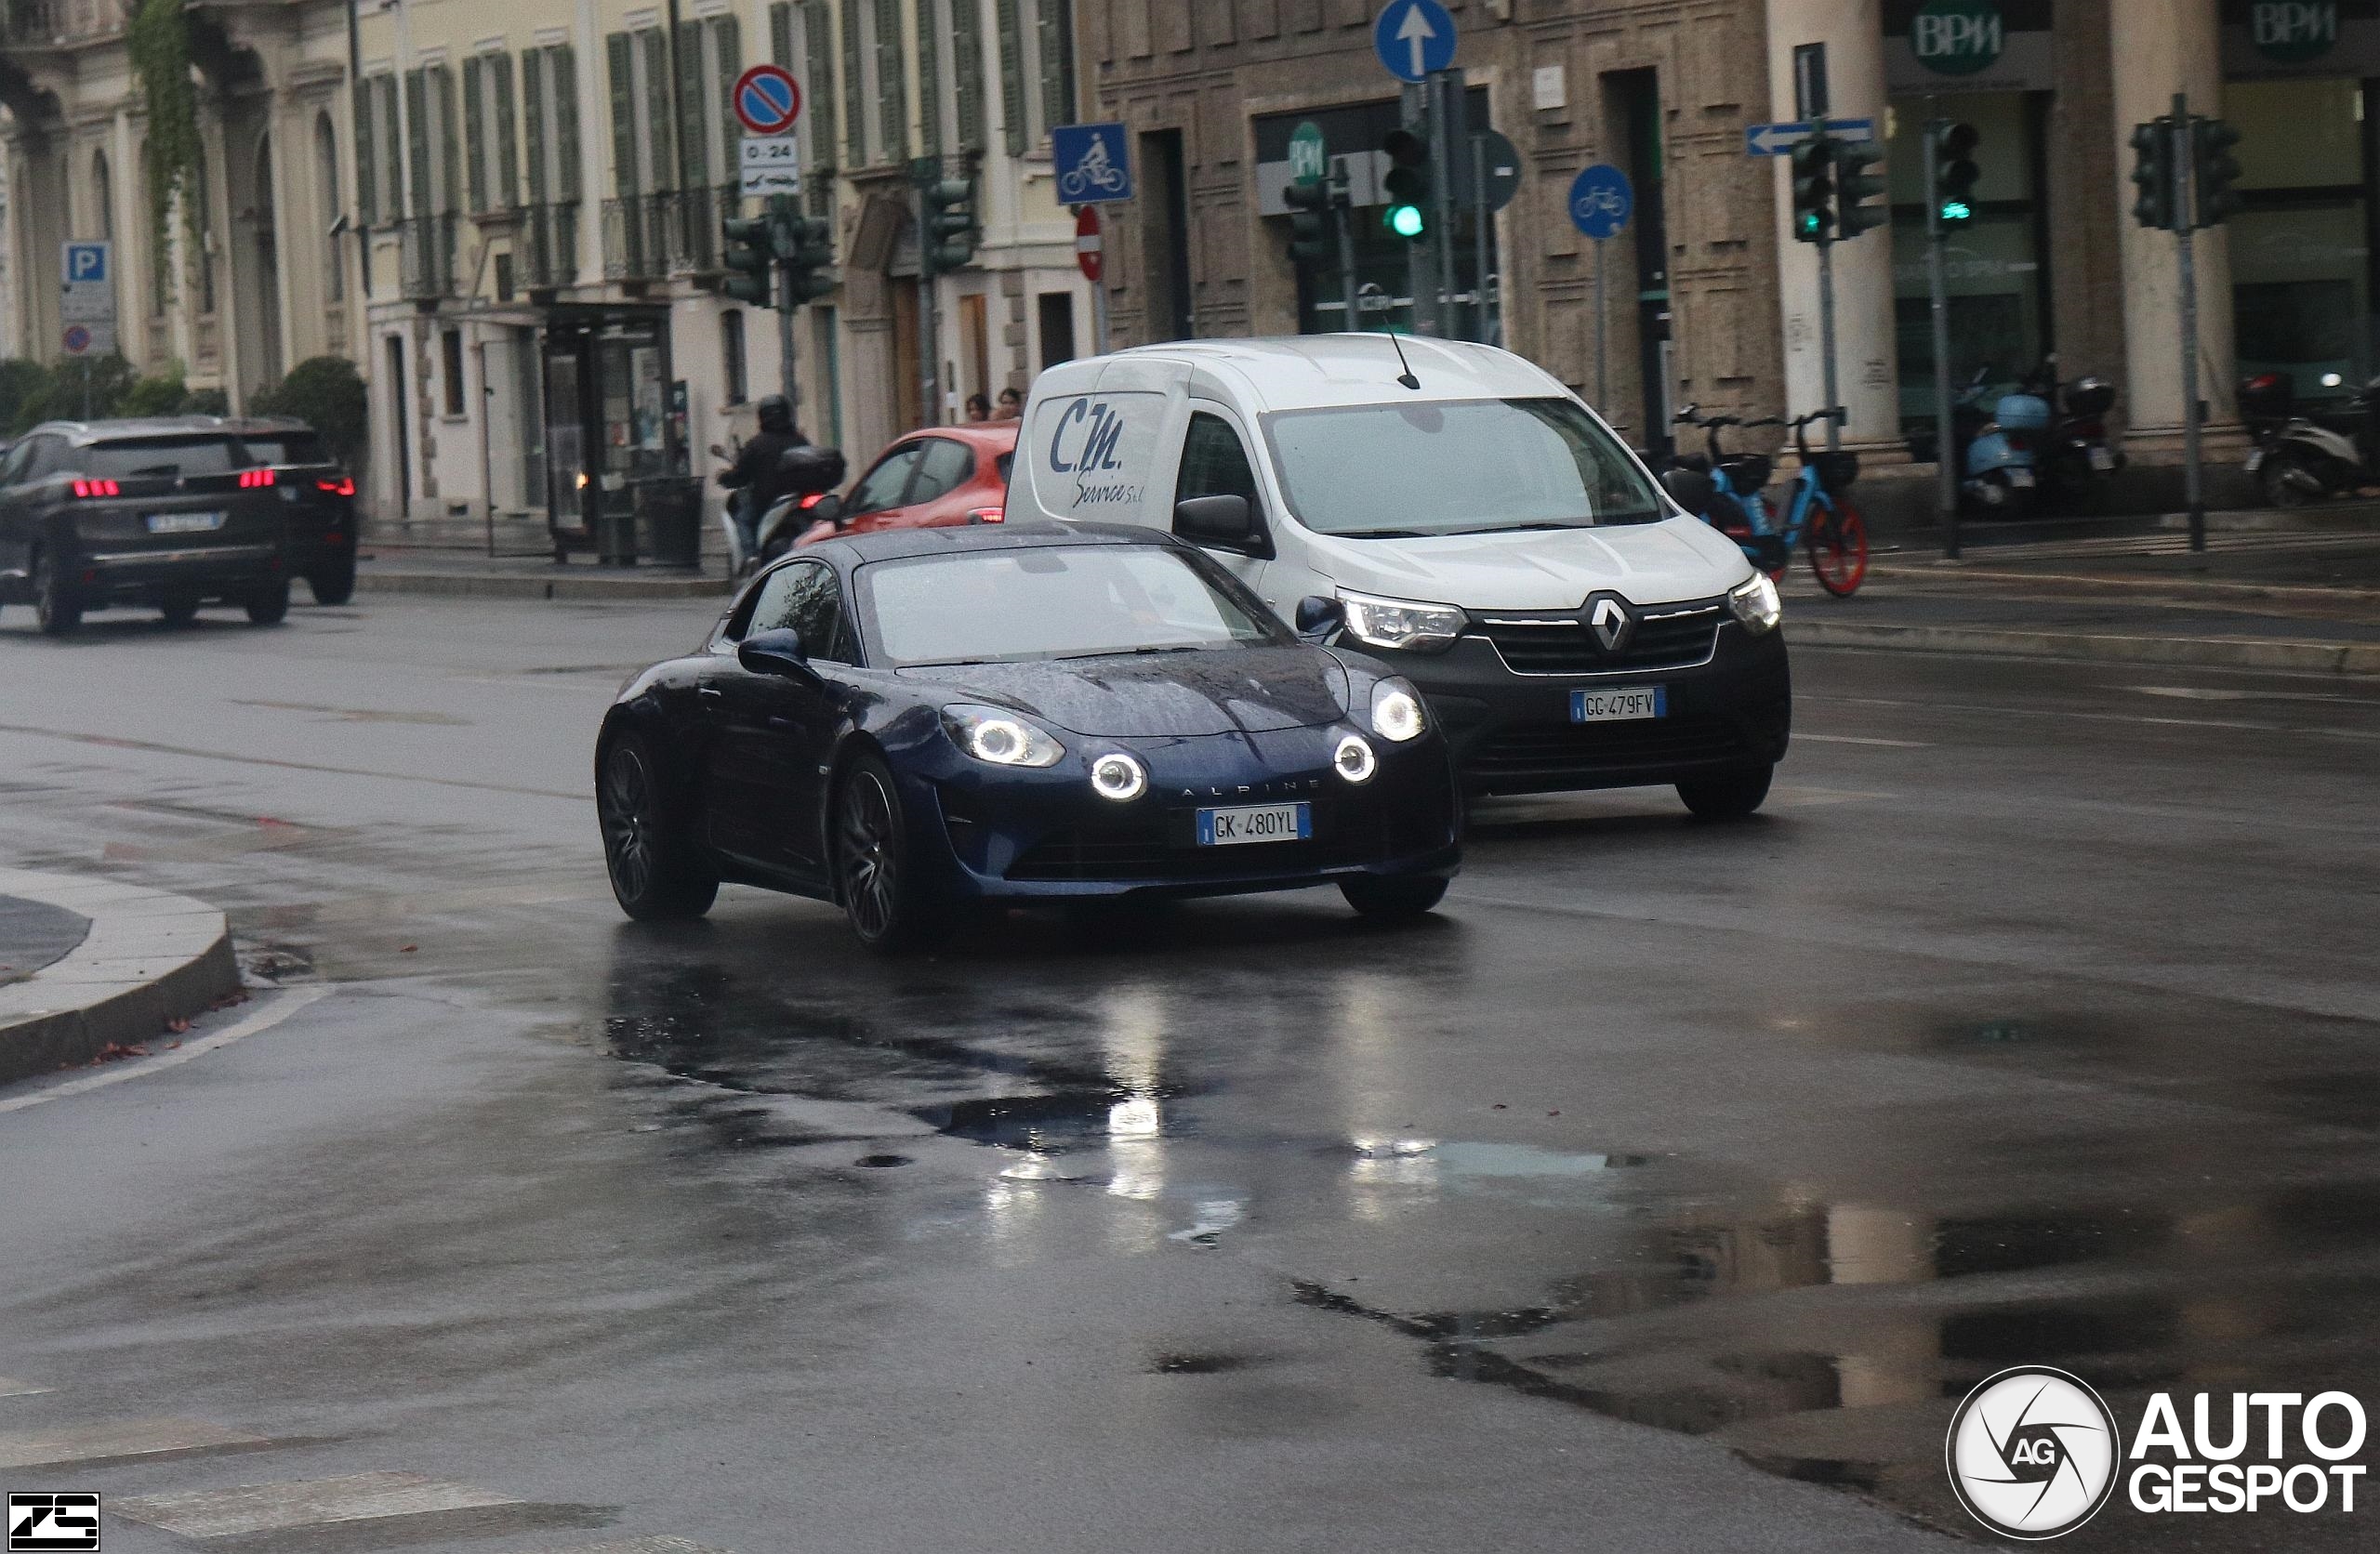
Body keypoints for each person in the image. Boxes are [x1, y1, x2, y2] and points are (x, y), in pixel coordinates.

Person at [717, 394, 807, 562]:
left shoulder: (756, 444)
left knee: (743, 519)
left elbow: (741, 475)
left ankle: (750, 556)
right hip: (798, 499)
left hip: (765, 501)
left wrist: (725, 478)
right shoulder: (800, 441)